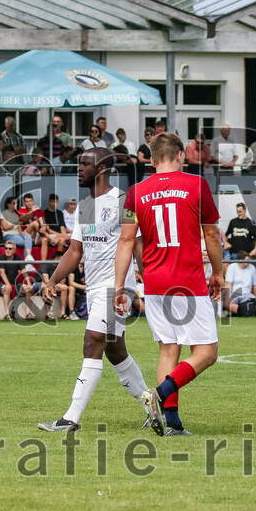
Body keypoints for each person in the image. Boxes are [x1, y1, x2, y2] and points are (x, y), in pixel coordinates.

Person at [115, 133, 224, 437]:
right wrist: (218, 273)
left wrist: (119, 285)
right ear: (180, 157)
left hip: (154, 283)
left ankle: (171, 423)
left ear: (150, 160)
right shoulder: (196, 185)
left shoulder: (135, 193)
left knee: (169, 348)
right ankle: (160, 394)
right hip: (188, 281)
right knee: (207, 352)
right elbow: (212, 235)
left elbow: (126, 240)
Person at [37, 147, 153, 432]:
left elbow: (136, 245)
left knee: (92, 342)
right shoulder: (84, 206)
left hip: (116, 289)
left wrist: (146, 286)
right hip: (95, 289)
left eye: (84, 164)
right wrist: (53, 280)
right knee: (115, 351)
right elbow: (75, 252)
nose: (78, 168)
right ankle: (155, 409)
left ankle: (70, 419)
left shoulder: (123, 201)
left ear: (101, 168)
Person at [0, 241, 37, 320]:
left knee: (29, 289)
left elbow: (23, 271)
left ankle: (28, 313)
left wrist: (28, 283)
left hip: (14, 283)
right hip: (0, 283)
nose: (7, 250)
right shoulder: (1, 258)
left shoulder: (18, 258)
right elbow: (2, 273)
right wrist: (8, 285)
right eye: (6, 248)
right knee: (7, 289)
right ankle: (7, 314)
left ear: (14, 250)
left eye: (10, 248)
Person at [224, 251, 256, 316]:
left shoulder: (252, 267)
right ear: (240, 260)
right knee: (227, 305)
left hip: (247, 294)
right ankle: (244, 312)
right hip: (234, 294)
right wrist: (229, 298)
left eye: (249, 260)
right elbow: (228, 284)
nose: (248, 262)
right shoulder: (231, 267)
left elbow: (255, 286)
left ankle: (240, 313)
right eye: (246, 260)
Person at [0, 196, 35, 261]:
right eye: (14, 203)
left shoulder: (16, 214)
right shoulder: (4, 213)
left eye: (16, 203)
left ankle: (28, 257)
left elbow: (19, 230)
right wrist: (15, 223)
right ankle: (28, 260)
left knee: (28, 236)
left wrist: (24, 233)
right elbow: (5, 227)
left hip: (18, 235)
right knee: (26, 242)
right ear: (8, 205)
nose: (16, 204)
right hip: (8, 235)